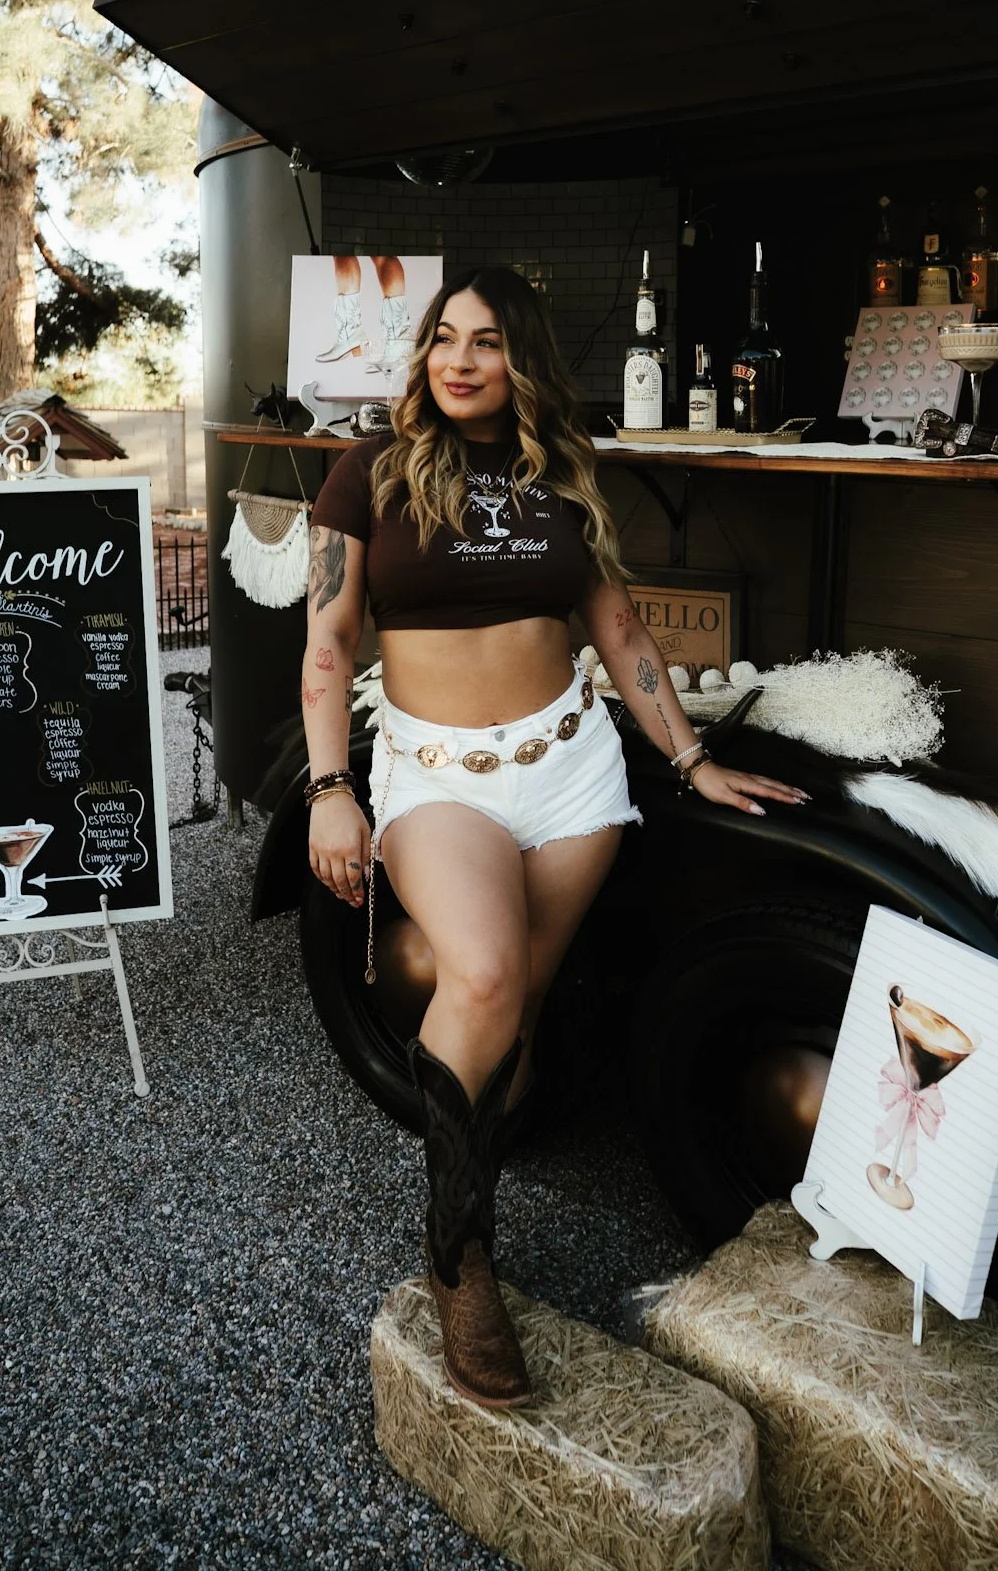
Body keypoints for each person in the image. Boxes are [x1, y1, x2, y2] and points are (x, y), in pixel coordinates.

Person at [300, 264, 807, 1409]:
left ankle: (483, 1150)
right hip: (439, 776)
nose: (460, 359)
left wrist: (690, 755)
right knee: (479, 972)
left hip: (572, 773)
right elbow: (328, 639)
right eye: (443, 338)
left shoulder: (560, 477)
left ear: (520, 359)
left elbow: (618, 623)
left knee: (516, 999)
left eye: (485, 341)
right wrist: (334, 785)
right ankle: (460, 1253)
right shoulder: (366, 472)